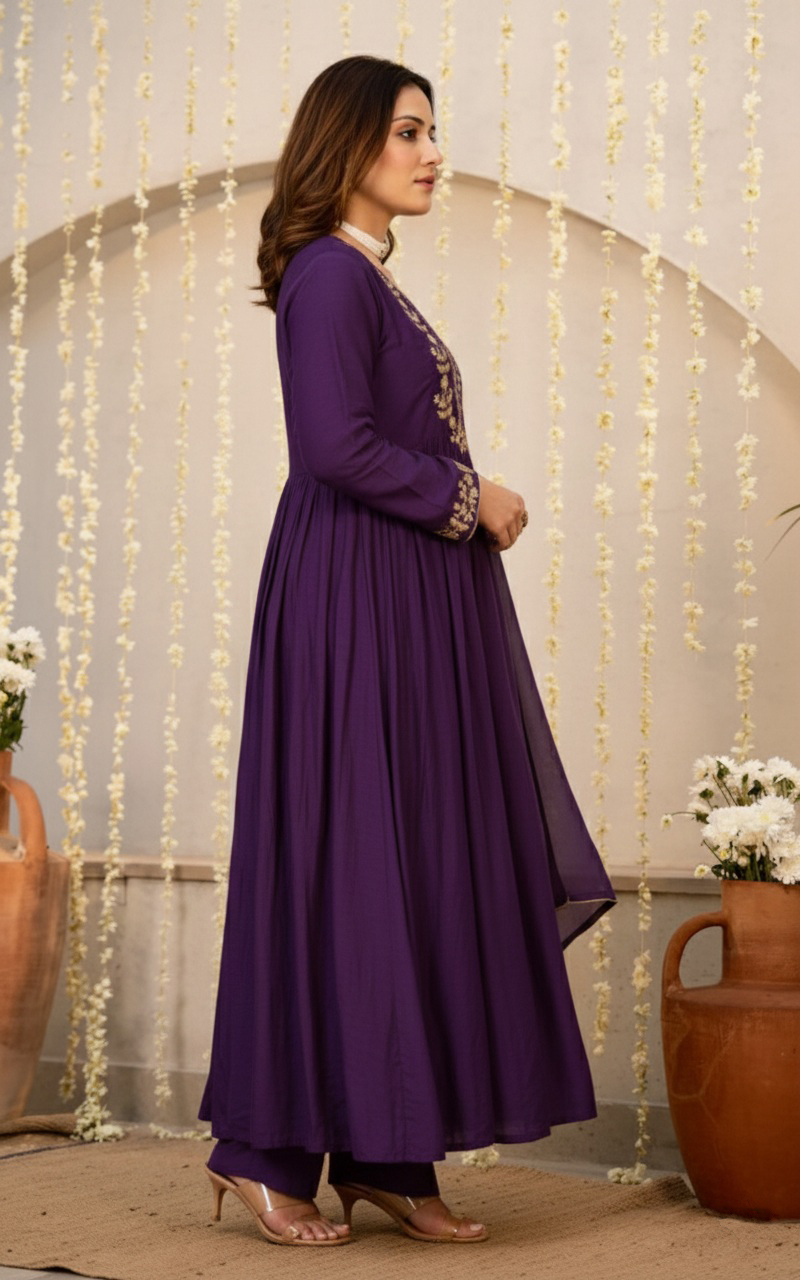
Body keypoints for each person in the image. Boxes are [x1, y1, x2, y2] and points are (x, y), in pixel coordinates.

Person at [198, 53, 617, 1248]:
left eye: (432, 131)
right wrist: (470, 497)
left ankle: (387, 1148)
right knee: (345, 850)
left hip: (401, 596)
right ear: (347, 143)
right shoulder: (330, 273)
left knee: (407, 855)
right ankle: (260, 1151)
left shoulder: (365, 275)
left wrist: (455, 512)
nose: (433, 153)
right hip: (353, 601)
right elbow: (332, 447)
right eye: (408, 131)